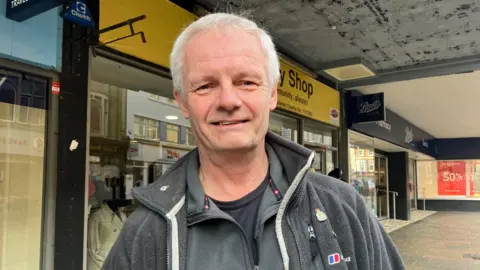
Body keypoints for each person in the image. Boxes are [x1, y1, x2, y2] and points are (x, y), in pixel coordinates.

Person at [103, 12, 404, 270]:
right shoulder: (144, 234)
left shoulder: (341, 207)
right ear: (182, 102)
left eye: (246, 82)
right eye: (206, 85)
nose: (228, 100)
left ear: (272, 93)